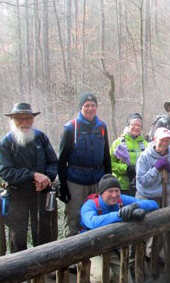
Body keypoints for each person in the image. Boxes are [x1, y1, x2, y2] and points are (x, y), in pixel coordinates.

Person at [0, 103, 58, 253]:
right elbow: (5, 171)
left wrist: (46, 179)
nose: (24, 122)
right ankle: (20, 273)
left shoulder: (41, 138)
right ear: (13, 120)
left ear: (32, 119)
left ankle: (45, 268)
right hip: (18, 195)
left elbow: (53, 162)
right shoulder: (6, 143)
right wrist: (33, 175)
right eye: (20, 119)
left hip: (41, 193)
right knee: (18, 236)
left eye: (28, 118)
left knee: (44, 232)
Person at [80, 174, 158, 283]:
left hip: (112, 248)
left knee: (125, 279)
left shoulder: (121, 200)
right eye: (110, 191)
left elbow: (153, 204)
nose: (114, 195)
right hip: (91, 249)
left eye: (117, 191)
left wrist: (135, 207)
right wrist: (120, 214)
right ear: (101, 193)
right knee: (101, 277)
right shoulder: (90, 205)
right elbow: (93, 222)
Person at [58, 92, 112, 238]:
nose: (90, 109)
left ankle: (95, 254)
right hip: (76, 181)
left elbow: (106, 155)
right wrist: (63, 186)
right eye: (86, 106)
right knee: (74, 217)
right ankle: (71, 255)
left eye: (93, 105)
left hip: (97, 179)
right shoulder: (71, 128)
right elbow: (62, 160)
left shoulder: (101, 126)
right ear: (80, 108)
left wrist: (108, 179)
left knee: (98, 214)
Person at [135, 127, 170, 261]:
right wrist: (156, 168)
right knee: (147, 227)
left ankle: (154, 253)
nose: (165, 143)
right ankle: (141, 254)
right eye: (162, 140)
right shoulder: (144, 156)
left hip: (164, 195)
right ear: (155, 139)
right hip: (146, 195)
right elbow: (142, 181)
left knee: (167, 223)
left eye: (168, 140)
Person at [110, 113, 147, 197]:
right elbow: (110, 164)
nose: (136, 127)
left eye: (139, 125)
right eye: (133, 125)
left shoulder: (146, 145)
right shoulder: (118, 143)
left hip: (140, 187)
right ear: (128, 126)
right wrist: (126, 169)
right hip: (121, 186)